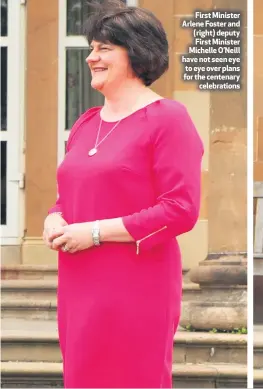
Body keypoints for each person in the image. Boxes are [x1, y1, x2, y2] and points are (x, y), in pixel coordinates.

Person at [42, 1, 203, 387]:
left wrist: (94, 233)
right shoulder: (85, 123)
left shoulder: (169, 118)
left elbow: (181, 209)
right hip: (79, 281)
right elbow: (70, 194)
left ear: (138, 51)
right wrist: (54, 216)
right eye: (91, 48)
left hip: (137, 283)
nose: (91, 57)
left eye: (104, 49)